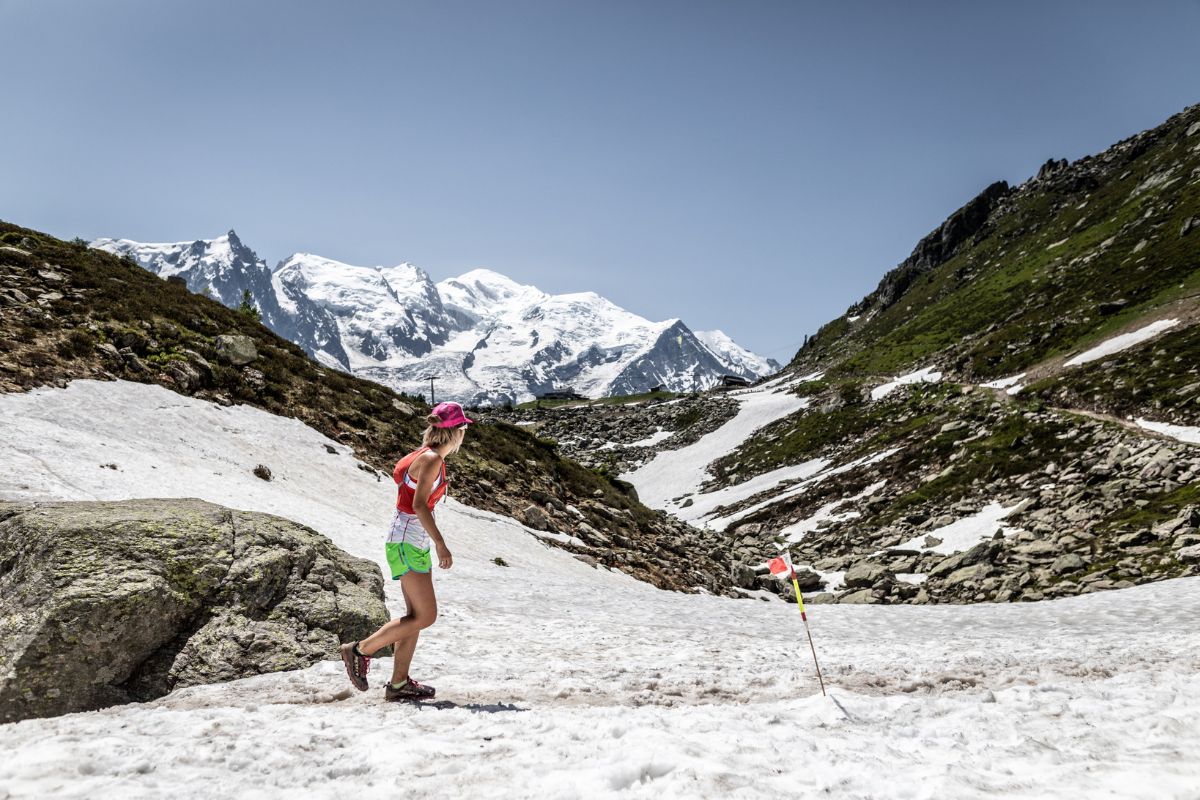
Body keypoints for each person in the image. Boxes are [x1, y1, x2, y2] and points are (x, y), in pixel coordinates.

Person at [340, 400, 472, 701]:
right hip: (408, 541)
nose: (464, 433)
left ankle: (399, 684)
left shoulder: (425, 455)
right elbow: (419, 505)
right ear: (454, 432)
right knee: (426, 616)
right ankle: (360, 650)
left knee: (415, 616)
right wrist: (440, 543)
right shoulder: (432, 460)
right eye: (463, 428)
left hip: (407, 539)